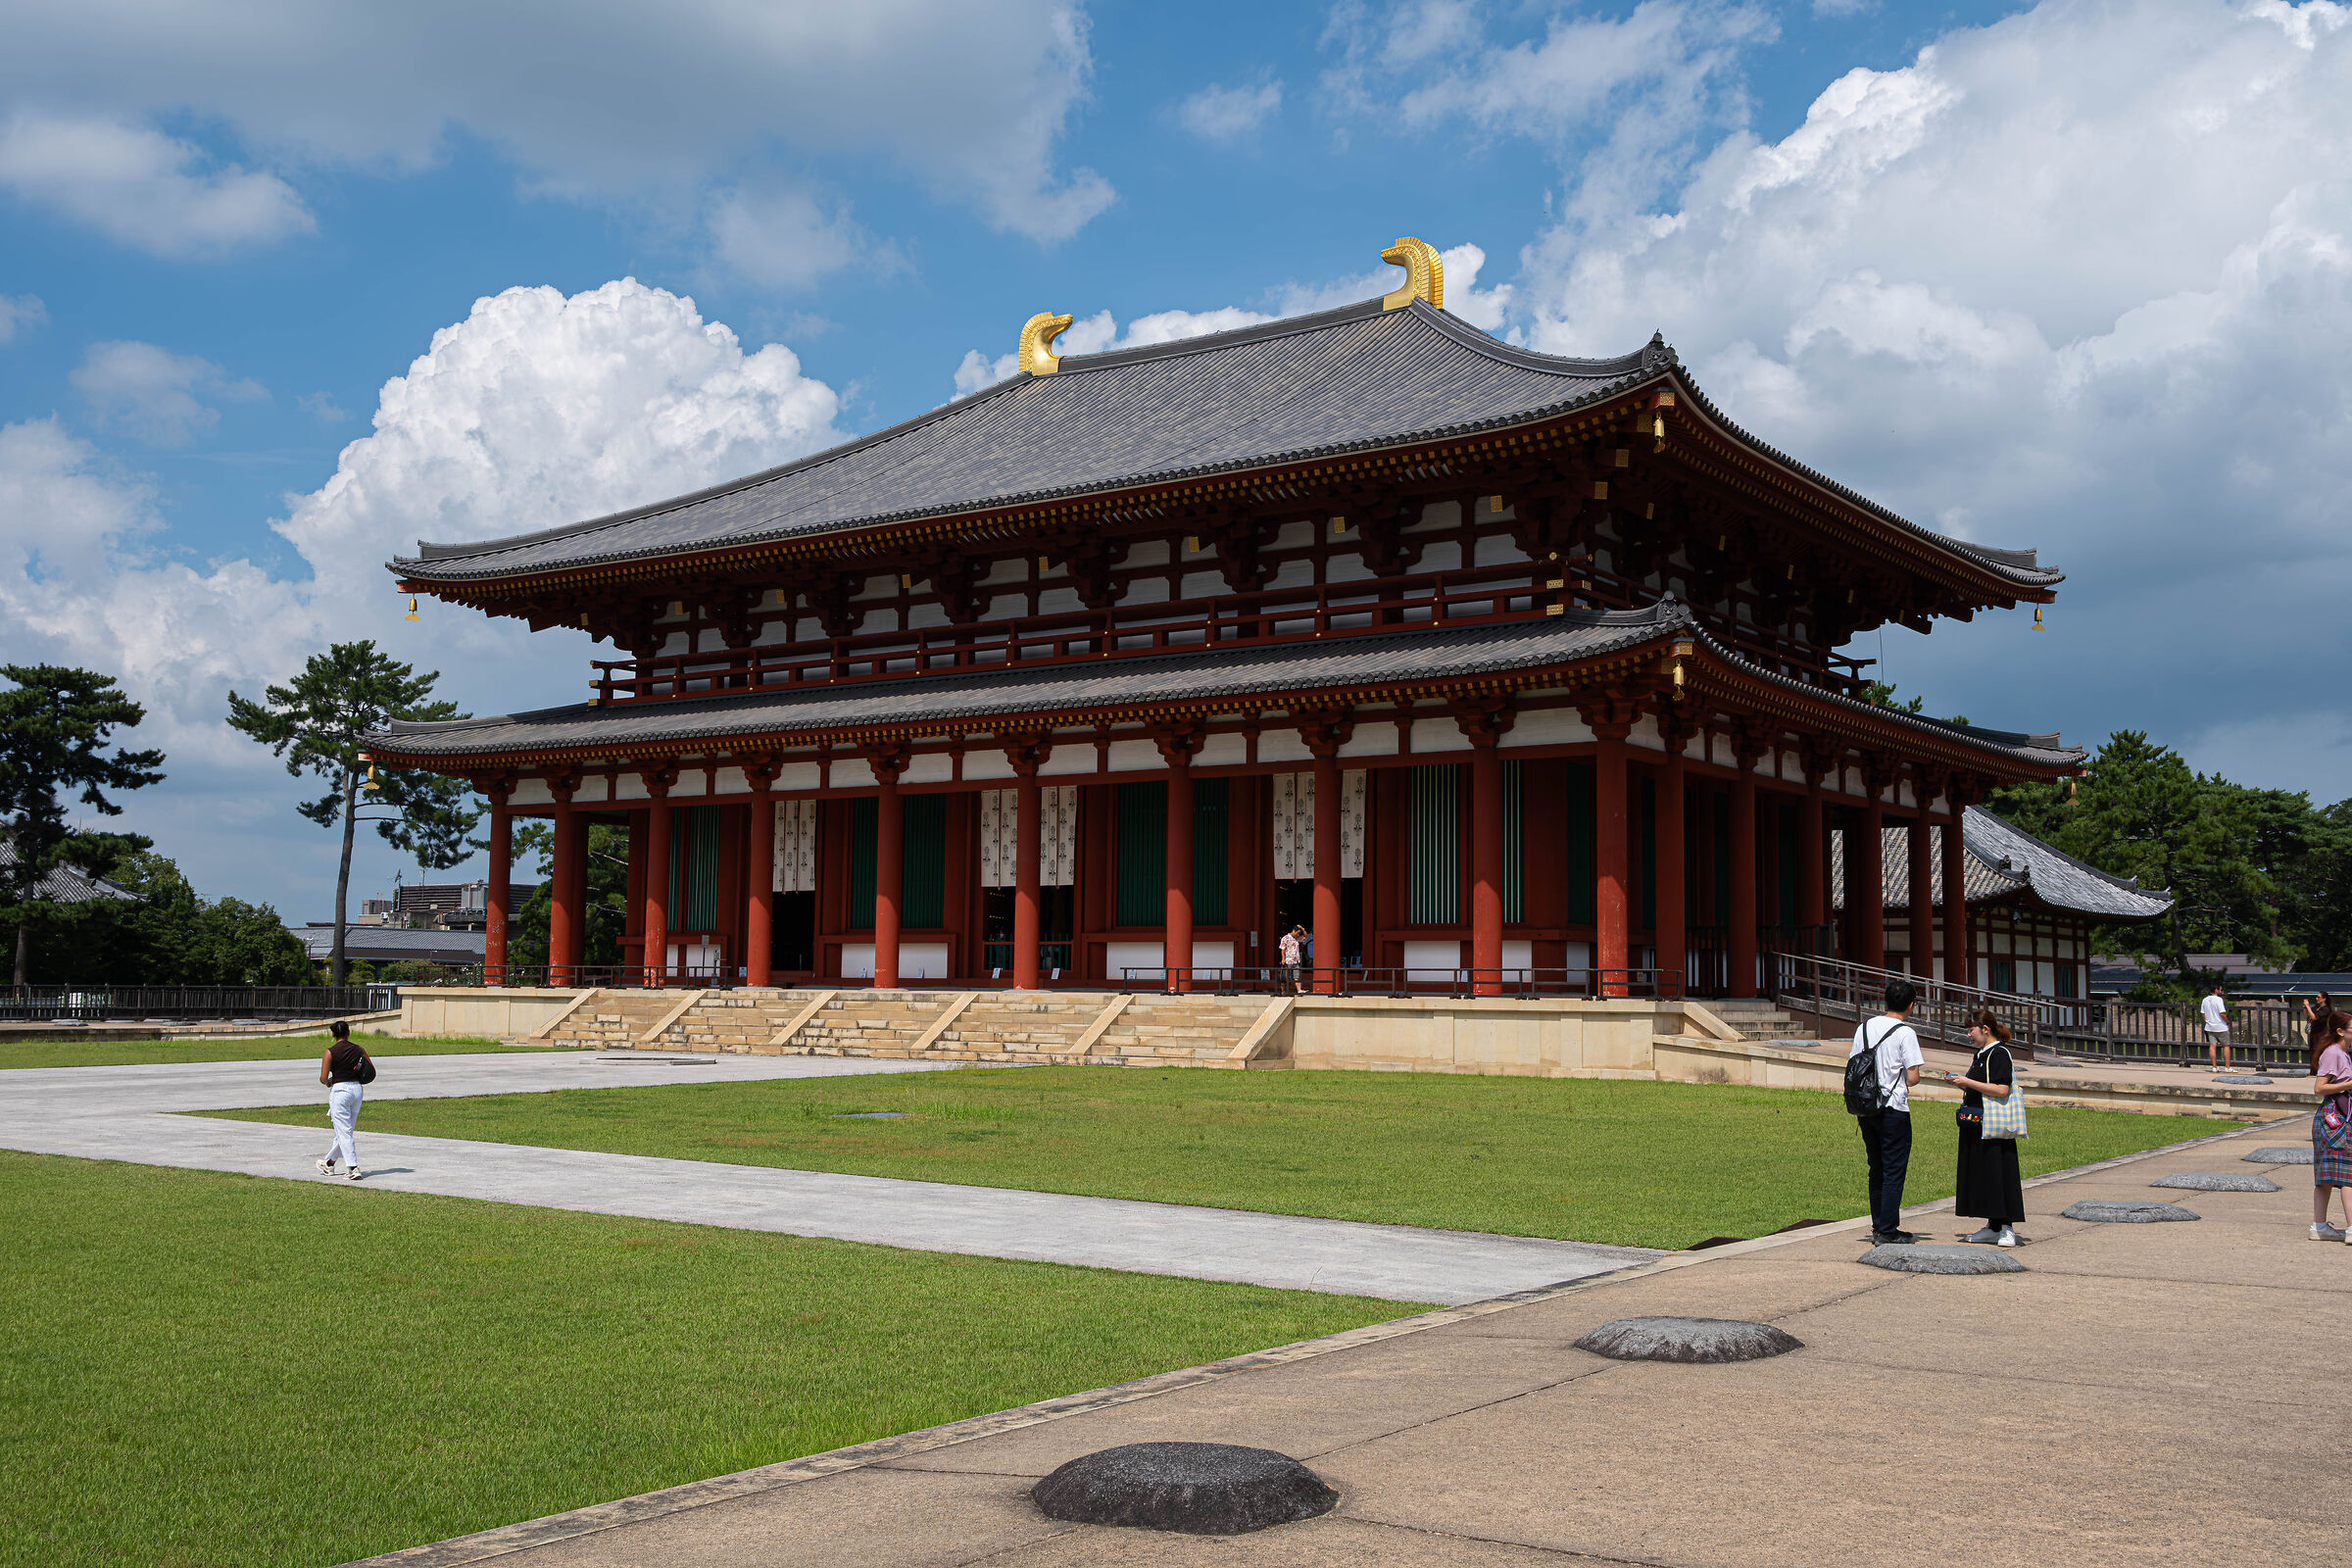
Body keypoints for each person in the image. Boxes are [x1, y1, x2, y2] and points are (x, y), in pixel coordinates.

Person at [1850, 979, 1926, 1245]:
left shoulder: (1865, 1028)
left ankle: (1878, 1224)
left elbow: (1855, 1064)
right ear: (1910, 1005)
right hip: (1893, 1107)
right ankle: (1888, 1229)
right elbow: (1913, 1076)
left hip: (1866, 1107)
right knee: (1894, 1169)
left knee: (1877, 1167)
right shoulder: (1905, 1032)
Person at [1945, 1009, 2026, 1248]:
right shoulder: (1980, 1054)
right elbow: (1980, 1089)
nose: (1969, 1034)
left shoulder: (1999, 1053)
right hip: (1977, 1123)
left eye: (1971, 1030)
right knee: (1983, 1174)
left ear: (1985, 1029)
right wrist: (1960, 1082)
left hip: (1993, 1126)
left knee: (1999, 1173)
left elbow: (2002, 1090)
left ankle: (2006, 1226)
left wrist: (1967, 1081)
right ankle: (1993, 1225)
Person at [2311, 1009, 2352, 1244]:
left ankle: (2319, 1227)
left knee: (2327, 1177)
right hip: (2333, 1119)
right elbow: (2319, 1088)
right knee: (2348, 1175)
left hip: (2338, 1117)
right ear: (2340, 1031)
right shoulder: (2333, 1053)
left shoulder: (2342, 1054)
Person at [316, 1020, 374, 1181]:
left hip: (340, 1091)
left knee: (344, 1132)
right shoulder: (358, 1049)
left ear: (333, 1034)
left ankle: (353, 1167)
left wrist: (328, 1082)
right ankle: (329, 1163)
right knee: (345, 1132)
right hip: (357, 1091)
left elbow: (323, 1078)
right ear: (348, 1032)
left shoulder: (330, 1052)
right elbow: (370, 1068)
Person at [2199, 982, 2233, 1072]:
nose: (2222, 991)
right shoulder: (2218, 1000)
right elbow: (2222, 1013)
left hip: (2210, 1026)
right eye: (2221, 990)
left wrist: (2207, 1021)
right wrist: (2227, 1022)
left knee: (2212, 1045)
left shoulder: (2205, 999)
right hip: (2220, 1026)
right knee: (2226, 1046)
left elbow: (2203, 1013)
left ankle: (2214, 1067)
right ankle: (2227, 1067)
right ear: (2216, 990)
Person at [1277, 925, 1303, 995]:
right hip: (1288, 960)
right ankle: (1283, 991)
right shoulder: (1285, 938)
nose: (1298, 934)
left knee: (1297, 976)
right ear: (1293, 931)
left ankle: (1299, 990)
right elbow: (1283, 949)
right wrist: (1283, 959)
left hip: (1296, 960)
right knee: (1284, 977)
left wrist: (1302, 929)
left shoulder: (1297, 938)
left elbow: (1306, 937)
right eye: (1297, 933)